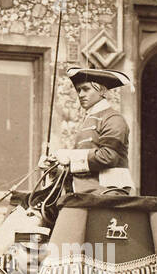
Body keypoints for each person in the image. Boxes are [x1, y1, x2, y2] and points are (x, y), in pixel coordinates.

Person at [41, 66, 134, 195]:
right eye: (79, 90)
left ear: (101, 90)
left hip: (108, 191)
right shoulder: (87, 121)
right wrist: (54, 167)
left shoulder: (113, 118)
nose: (80, 95)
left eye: (86, 89)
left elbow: (108, 156)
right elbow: (79, 168)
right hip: (84, 190)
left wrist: (68, 156)